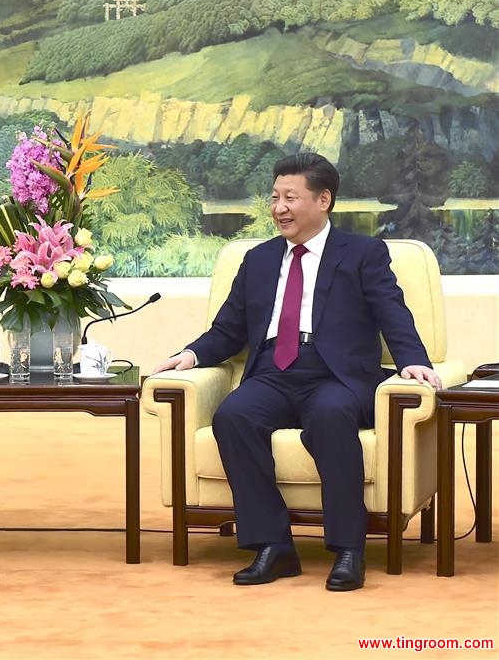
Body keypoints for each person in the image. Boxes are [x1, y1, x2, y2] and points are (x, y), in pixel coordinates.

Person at [152, 153, 441, 592]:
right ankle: (274, 545)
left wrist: (413, 360)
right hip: (273, 372)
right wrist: (189, 355)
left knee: (328, 416)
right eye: (274, 198)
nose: (279, 208)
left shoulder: (363, 253)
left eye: (290, 197)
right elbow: (228, 329)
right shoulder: (259, 260)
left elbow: (391, 312)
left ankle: (349, 549)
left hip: (336, 375)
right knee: (234, 416)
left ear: (323, 199)